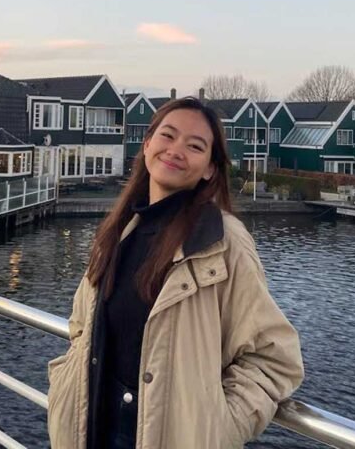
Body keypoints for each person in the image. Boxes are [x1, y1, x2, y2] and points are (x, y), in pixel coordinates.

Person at [47, 97, 304, 449]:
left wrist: (218, 428)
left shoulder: (222, 241)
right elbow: (81, 324)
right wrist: (66, 377)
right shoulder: (119, 230)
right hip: (92, 424)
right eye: (167, 135)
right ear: (147, 144)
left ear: (210, 168)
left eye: (195, 146)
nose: (176, 150)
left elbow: (274, 358)